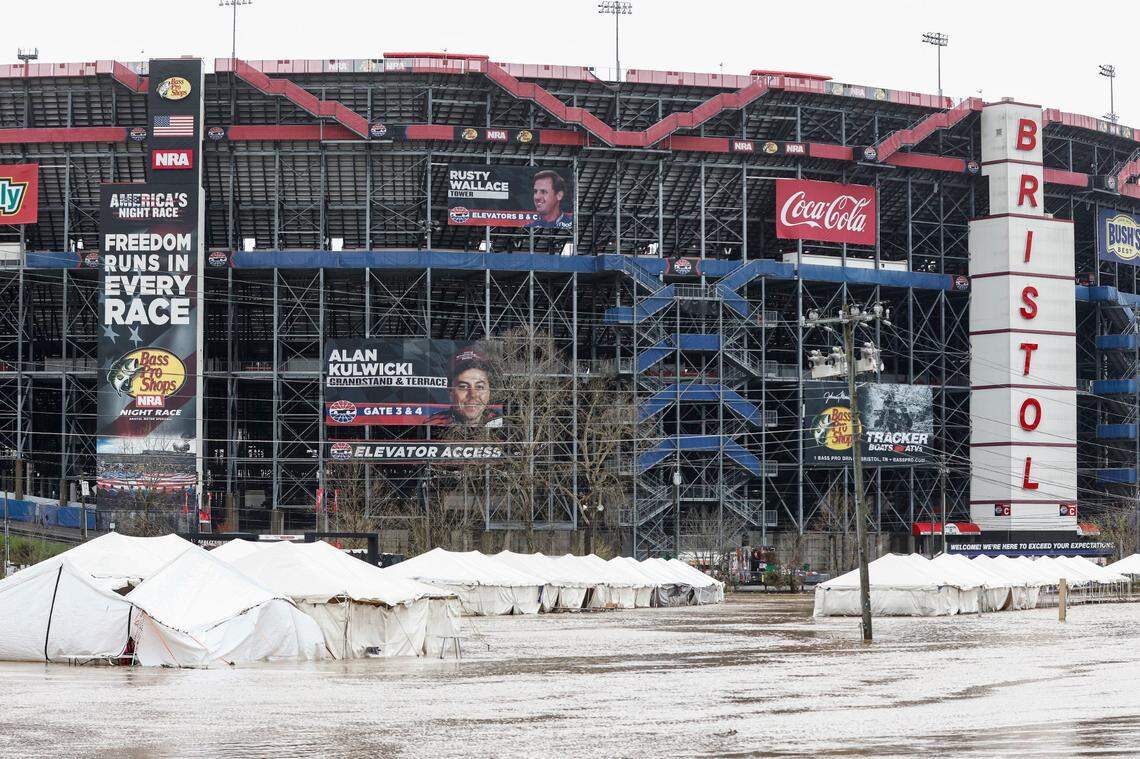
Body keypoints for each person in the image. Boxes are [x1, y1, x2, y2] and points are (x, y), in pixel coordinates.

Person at [427, 347, 503, 427]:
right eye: (463, 387)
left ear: (489, 391)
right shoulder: (434, 424)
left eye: (479, 387)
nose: (473, 395)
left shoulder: (502, 425)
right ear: (450, 392)